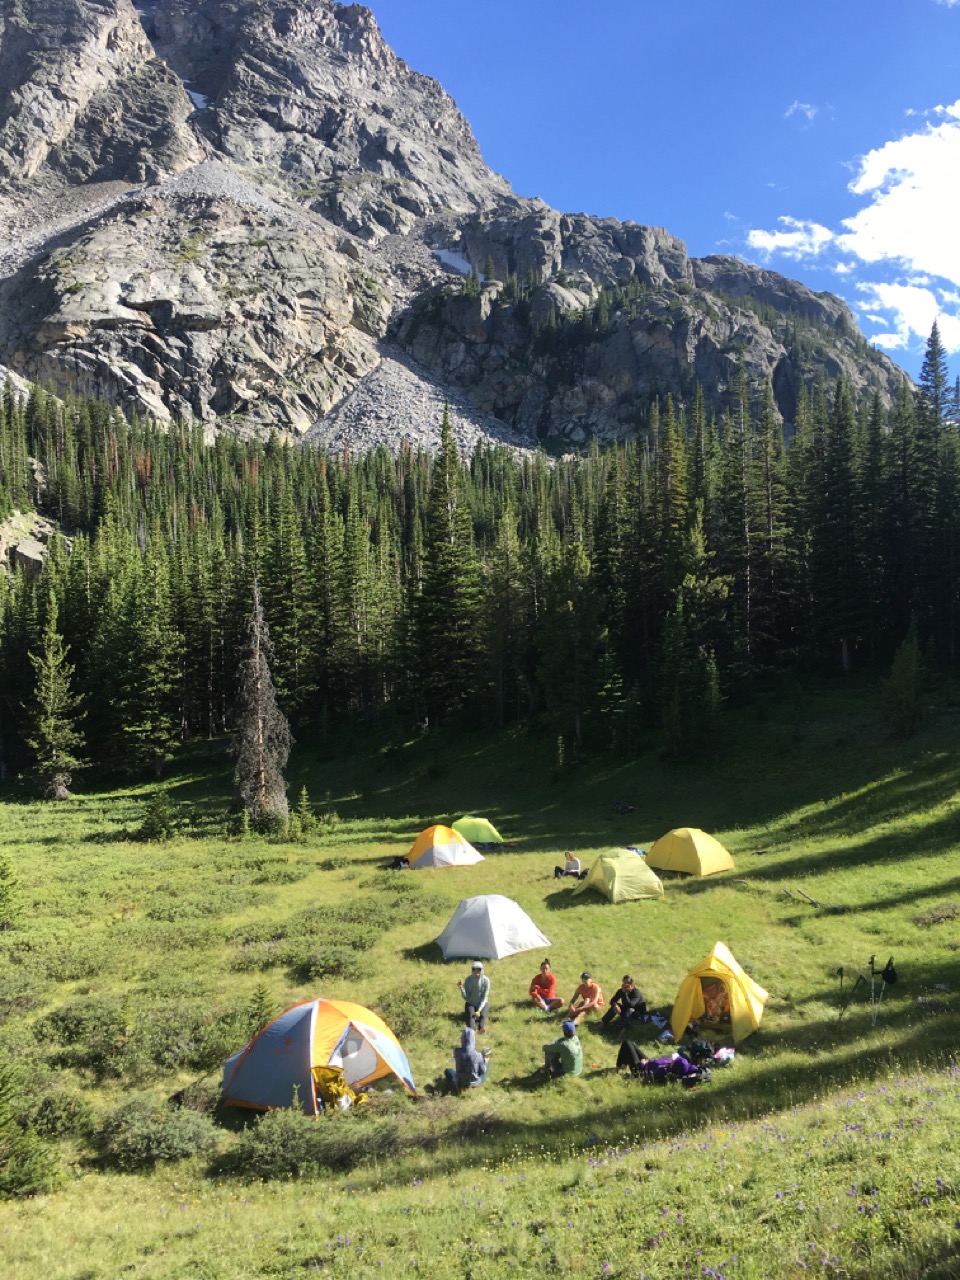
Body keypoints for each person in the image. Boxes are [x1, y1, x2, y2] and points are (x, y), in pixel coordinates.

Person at [444, 1027, 490, 1092]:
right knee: (486, 1067)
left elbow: (454, 1060)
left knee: (448, 1071)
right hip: (474, 1082)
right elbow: (482, 1071)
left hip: (459, 1082)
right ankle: (472, 1087)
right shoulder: (478, 1055)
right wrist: (485, 1062)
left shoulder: (456, 1051)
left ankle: (461, 1087)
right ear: (473, 1039)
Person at [458, 960, 490, 1032]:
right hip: (471, 1003)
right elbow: (466, 997)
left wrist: (479, 1009)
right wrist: (461, 988)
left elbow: (485, 997)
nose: (476, 971)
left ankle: (481, 1028)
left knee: (483, 1016)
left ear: (482, 970)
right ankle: (472, 1030)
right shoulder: (468, 980)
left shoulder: (486, 980)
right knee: (471, 1017)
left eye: (479, 969)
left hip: (482, 1003)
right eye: (474, 969)